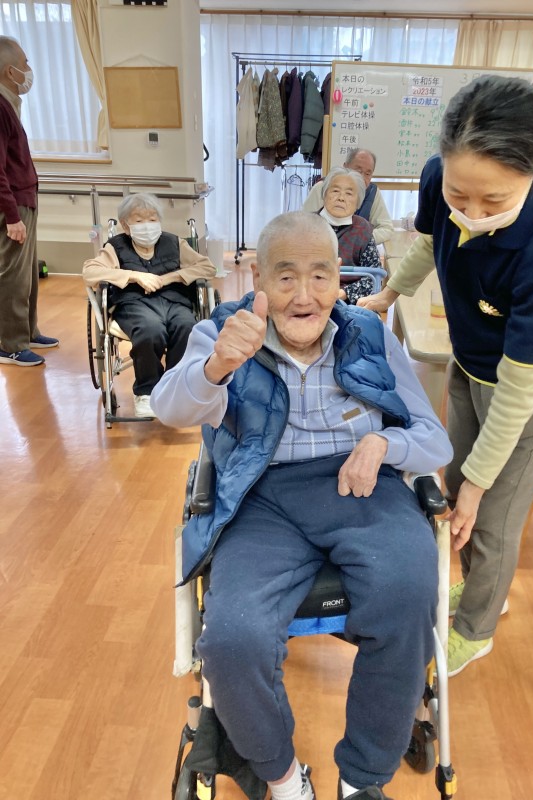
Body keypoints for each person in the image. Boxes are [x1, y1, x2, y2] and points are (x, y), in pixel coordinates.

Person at [151, 211, 452, 800]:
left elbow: (433, 438)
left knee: (408, 592)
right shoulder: (224, 332)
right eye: (286, 277)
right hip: (262, 497)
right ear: (259, 279)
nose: (304, 295)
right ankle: (284, 778)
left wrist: (385, 444)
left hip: (362, 487)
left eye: (320, 276)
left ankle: (362, 780)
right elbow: (169, 409)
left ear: (339, 279)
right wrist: (216, 368)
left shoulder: (369, 334)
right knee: (231, 638)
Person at [358, 75, 533, 677]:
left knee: (493, 508)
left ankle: (478, 628)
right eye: (460, 195)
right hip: (471, 356)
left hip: (532, 385)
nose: (472, 213)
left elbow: (519, 391)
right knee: (456, 479)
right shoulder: (440, 177)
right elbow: (427, 242)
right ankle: (486, 584)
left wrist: (482, 486)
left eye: (494, 201)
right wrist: (388, 295)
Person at [82, 192, 215, 418]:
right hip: (134, 303)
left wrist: (170, 278)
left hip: (174, 300)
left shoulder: (174, 243)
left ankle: (175, 387)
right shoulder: (115, 247)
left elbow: (207, 267)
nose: (147, 225)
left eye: (152, 219)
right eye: (139, 220)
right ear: (126, 225)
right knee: (150, 330)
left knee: (187, 327)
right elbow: (90, 272)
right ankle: (147, 392)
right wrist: (134, 276)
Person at [0, 36, 58, 367]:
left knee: (27, 275)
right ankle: (10, 344)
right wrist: (11, 215)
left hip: (25, 199)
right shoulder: (0, 108)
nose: (28, 69)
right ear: (10, 71)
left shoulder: (10, 104)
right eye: (24, 63)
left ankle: (28, 331)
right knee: (13, 275)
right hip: (13, 205)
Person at [303, 148, 394, 244]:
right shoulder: (322, 187)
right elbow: (305, 224)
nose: (362, 178)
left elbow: (386, 228)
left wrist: (358, 239)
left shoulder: (372, 192)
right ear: (345, 167)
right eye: (358, 171)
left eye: (368, 174)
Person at [319, 166, 381, 305]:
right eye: (335, 191)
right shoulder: (307, 224)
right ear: (324, 194)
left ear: (358, 202)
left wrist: (344, 293)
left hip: (349, 303)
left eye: (349, 193)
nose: (341, 198)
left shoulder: (363, 229)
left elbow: (375, 277)